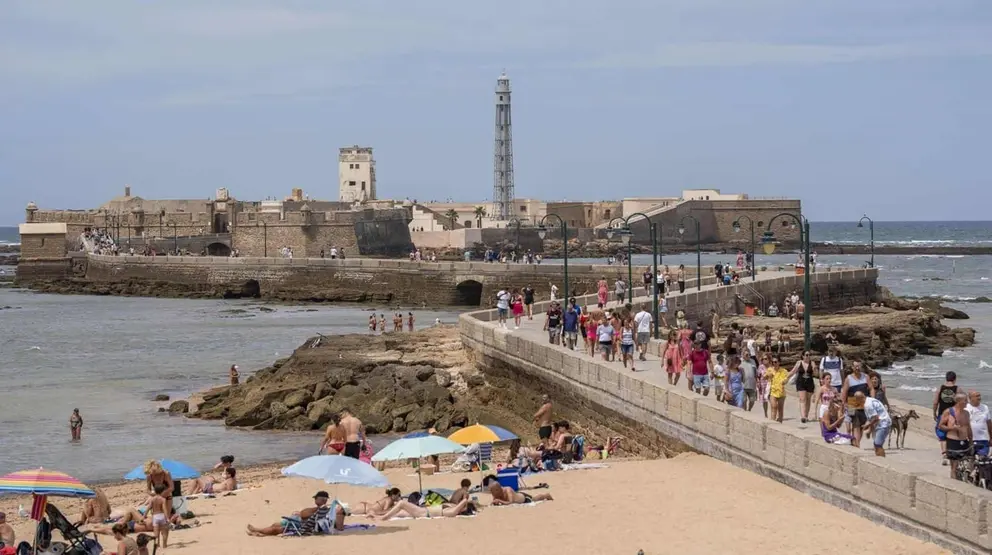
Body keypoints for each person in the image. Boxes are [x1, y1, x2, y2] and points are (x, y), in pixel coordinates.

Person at [248, 491, 345, 536]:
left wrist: (300, 514)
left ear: (321, 499)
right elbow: (338, 526)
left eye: (316, 498)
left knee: (276, 528)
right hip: (308, 525)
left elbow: (303, 515)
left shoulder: (319, 510)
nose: (314, 500)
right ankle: (261, 532)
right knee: (275, 525)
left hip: (303, 527)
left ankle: (258, 530)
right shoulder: (327, 510)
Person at [840, 360, 874, 447]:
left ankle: (855, 441)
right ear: (852, 367)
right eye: (855, 366)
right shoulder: (849, 378)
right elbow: (844, 392)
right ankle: (856, 444)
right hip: (852, 405)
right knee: (855, 424)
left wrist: (872, 400)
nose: (857, 368)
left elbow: (871, 389)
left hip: (864, 405)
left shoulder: (866, 377)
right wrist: (844, 405)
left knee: (862, 425)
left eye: (859, 366)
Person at [940, 393, 973, 480]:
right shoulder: (949, 412)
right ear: (959, 401)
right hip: (953, 441)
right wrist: (952, 428)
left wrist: (971, 441)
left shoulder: (966, 413)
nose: (967, 402)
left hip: (964, 441)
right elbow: (941, 426)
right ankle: (954, 484)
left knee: (965, 465)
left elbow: (968, 427)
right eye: (965, 400)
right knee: (954, 467)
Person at [933, 371, 959, 465]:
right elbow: (963, 401)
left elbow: (935, 402)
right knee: (952, 434)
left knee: (942, 435)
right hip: (953, 415)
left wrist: (934, 413)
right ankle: (952, 453)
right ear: (955, 379)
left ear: (946, 378)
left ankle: (944, 454)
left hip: (942, 414)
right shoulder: (957, 389)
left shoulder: (940, 388)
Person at [859, 391, 892, 457]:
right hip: (885, 422)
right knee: (876, 444)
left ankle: (882, 460)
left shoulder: (868, 405)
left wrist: (867, 426)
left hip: (883, 424)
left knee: (877, 444)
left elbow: (875, 418)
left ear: (860, 398)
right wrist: (869, 430)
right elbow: (871, 418)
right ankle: (879, 458)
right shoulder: (870, 399)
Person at [377, 498, 469, 520]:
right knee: (399, 513)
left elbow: (464, 500)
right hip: (422, 511)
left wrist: (466, 504)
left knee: (401, 503)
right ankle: (376, 515)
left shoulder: (452, 512)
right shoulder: (451, 508)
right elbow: (460, 503)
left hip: (423, 513)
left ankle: (383, 518)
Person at [485, 475, 553, 505]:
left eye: (493, 492)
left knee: (535, 499)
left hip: (524, 499)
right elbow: (494, 501)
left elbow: (510, 502)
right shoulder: (495, 492)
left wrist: (499, 500)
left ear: (498, 490)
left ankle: (546, 495)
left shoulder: (507, 489)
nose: (493, 494)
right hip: (518, 495)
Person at [765, 356, 793, 423]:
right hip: (773, 391)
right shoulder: (770, 369)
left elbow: (787, 379)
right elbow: (765, 377)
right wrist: (768, 376)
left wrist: (785, 381)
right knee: (774, 407)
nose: (774, 363)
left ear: (779, 362)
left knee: (780, 409)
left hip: (781, 392)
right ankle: (772, 423)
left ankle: (780, 424)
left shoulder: (783, 371)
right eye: (773, 362)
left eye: (775, 362)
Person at [966, 391, 992, 457]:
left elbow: (989, 423)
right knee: (971, 459)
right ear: (970, 398)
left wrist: (991, 437)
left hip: (983, 439)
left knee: (983, 460)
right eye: (977, 396)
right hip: (969, 439)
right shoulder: (966, 408)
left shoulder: (985, 407)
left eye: (979, 395)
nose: (979, 397)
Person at [793, 351, 817, 423]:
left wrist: (815, 369)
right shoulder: (799, 363)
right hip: (801, 382)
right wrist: (785, 378)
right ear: (803, 356)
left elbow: (816, 374)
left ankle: (806, 416)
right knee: (802, 399)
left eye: (809, 355)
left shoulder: (812, 363)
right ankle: (803, 416)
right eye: (806, 355)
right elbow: (793, 371)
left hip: (809, 382)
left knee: (808, 399)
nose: (808, 356)